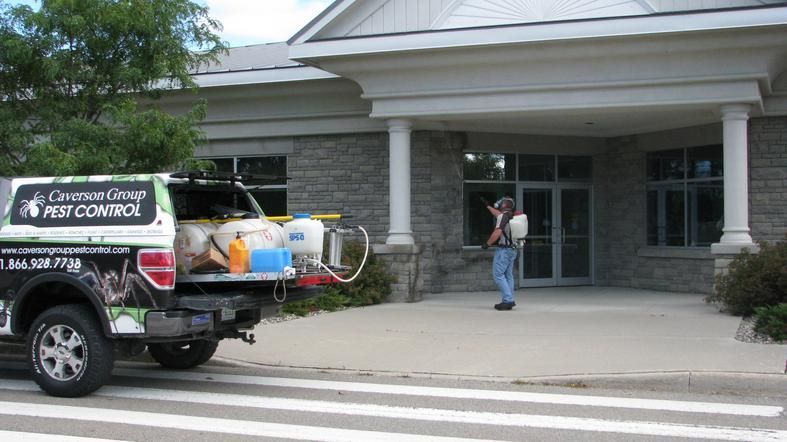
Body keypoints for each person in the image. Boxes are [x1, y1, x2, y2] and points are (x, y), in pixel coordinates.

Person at [481, 196, 518, 310]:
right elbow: (498, 214)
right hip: (512, 249)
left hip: (504, 251)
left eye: (502, 202)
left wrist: (487, 244)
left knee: (498, 276)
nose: (500, 203)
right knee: (508, 276)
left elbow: (497, 232)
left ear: (504, 205)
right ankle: (509, 299)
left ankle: (507, 300)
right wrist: (488, 206)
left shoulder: (503, 217)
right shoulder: (512, 216)